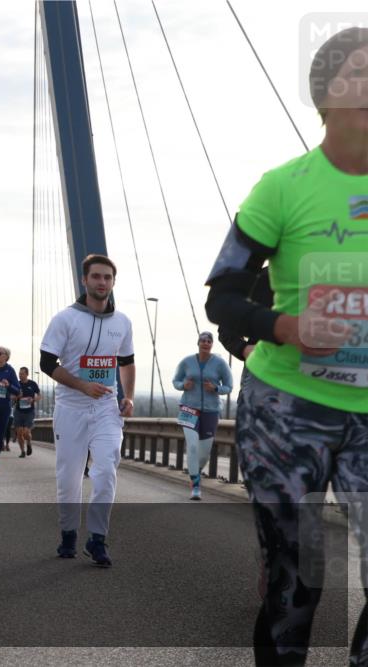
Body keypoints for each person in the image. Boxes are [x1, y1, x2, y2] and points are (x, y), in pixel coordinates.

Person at [204, 27, 368, 665]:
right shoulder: (283, 188)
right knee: (297, 579)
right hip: (288, 410)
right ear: (325, 94)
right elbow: (223, 297)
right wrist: (286, 326)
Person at [40, 254, 134, 567]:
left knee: (106, 468)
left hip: (106, 408)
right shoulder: (65, 319)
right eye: (96, 276)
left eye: (107, 277)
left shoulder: (122, 323)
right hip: (71, 407)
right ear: (85, 280)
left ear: (113, 282)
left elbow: (127, 361)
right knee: (69, 477)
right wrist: (81, 385)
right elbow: (46, 363)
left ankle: (97, 539)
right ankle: (68, 533)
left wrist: (128, 396)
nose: (102, 282)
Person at [171, 332, 232, 500]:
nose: (205, 343)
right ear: (198, 343)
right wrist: (184, 385)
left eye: (209, 341)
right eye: (203, 341)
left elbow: (229, 386)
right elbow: (175, 381)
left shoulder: (220, 364)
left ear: (212, 344)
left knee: (204, 454)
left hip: (211, 411)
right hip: (189, 409)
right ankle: (195, 485)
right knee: (192, 447)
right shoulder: (187, 362)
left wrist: (216, 388)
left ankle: (195, 472)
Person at [14, 366, 41, 458]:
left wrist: (33, 400)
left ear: (27, 374)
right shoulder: (16, 384)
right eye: (19, 373)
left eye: (22, 374)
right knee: (19, 433)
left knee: (25, 432)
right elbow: (11, 397)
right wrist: (17, 396)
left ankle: (29, 443)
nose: (20, 375)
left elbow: (39, 396)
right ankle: (22, 451)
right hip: (18, 411)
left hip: (29, 412)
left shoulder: (32, 384)